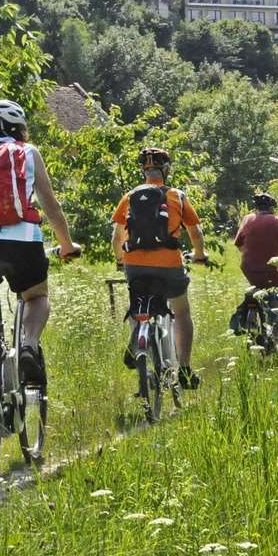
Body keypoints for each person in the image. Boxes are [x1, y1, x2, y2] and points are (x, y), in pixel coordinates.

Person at [0, 99, 81, 388]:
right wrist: (67, 245)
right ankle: (27, 345)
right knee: (36, 297)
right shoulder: (29, 153)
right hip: (21, 241)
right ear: (21, 129)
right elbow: (52, 207)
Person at [111, 147, 208, 390]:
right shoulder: (177, 196)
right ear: (165, 170)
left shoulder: (130, 196)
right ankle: (184, 369)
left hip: (134, 265)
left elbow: (116, 237)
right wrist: (199, 254)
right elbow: (195, 233)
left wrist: (120, 260)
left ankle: (137, 337)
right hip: (169, 264)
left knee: (138, 303)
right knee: (181, 312)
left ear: (144, 171)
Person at [233, 191, 278, 289]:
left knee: (256, 292)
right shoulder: (276, 220)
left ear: (256, 208)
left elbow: (238, 244)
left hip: (248, 268)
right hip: (269, 269)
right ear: (271, 208)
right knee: (277, 295)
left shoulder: (247, 219)